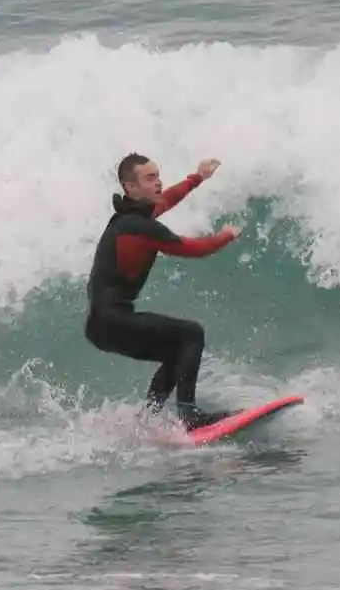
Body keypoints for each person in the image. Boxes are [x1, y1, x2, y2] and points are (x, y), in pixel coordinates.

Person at [85, 152, 240, 429]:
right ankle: (189, 417)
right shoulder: (137, 228)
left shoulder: (130, 218)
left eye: (158, 175)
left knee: (176, 351)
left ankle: (150, 419)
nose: (158, 182)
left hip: (102, 324)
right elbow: (194, 249)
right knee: (191, 333)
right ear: (130, 188)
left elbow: (166, 199)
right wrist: (226, 235)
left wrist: (197, 177)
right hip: (112, 320)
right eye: (150, 178)